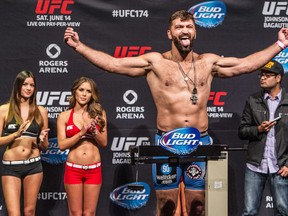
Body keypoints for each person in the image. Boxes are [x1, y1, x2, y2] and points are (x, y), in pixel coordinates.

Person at [63, 10, 288, 215]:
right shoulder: (155, 63)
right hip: (166, 142)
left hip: (198, 141)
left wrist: (279, 44)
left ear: (195, 32)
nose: (185, 30)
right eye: (179, 27)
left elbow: (245, 64)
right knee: (166, 205)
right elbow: (113, 64)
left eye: (189, 26)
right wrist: (79, 46)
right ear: (170, 33)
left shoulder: (208, 63)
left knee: (197, 205)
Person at [238, 60, 288, 216]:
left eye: (267, 75)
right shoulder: (253, 100)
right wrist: (258, 129)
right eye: (261, 75)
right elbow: (242, 131)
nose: (262, 78)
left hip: (280, 166)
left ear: (278, 78)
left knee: (282, 211)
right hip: (255, 165)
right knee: (249, 212)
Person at [0, 70, 49, 216]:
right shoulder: (4, 110)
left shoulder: (41, 111)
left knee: (29, 211)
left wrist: (42, 140)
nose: (28, 88)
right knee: (14, 213)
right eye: (25, 84)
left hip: (34, 165)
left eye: (32, 85)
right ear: (18, 86)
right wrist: (16, 134)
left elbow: (45, 147)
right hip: (11, 167)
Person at [57, 76, 107, 216]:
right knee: (75, 213)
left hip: (94, 170)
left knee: (90, 213)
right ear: (74, 91)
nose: (84, 94)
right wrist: (82, 132)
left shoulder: (99, 114)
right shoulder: (64, 116)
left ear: (92, 95)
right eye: (81, 90)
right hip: (73, 170)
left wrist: (94, 130)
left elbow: (104, 143)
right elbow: (62, 145)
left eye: (88, 91)